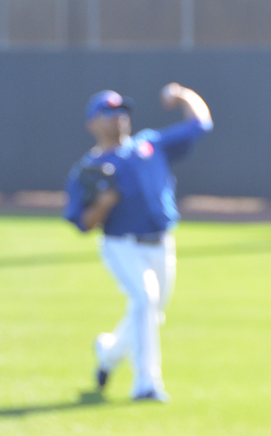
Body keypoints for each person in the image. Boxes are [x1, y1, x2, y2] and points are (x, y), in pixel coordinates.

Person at [64, 84, 212, 402]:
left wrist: (184, 95)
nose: (118, 118)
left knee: (150, 311)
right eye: (109, 113)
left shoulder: (149, 145)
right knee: (146, 301)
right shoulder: (87, 169)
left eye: (122, 112)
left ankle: (107, 353)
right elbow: (81, 223)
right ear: (92, 123)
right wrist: (102, 205)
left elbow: (201, 125)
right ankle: (146, 385)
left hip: (162, 243)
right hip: (122, 244)